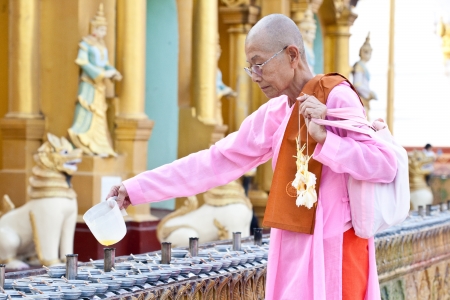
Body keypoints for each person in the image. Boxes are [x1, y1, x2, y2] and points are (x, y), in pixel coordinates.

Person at [107, 14, 396, 299]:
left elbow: (383, 164)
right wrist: (135, 189)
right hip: (291, 246)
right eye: (250, 67)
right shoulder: (276, 113)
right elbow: (214, 162)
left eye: (259, 64)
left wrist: (326, 140)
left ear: (292, 55)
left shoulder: (336, 97)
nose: (255, 76)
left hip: (336, 249)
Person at [68, 4, 122, 157]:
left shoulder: (101, 46)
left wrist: (112, 72)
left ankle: (99, 145)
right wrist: (101, 74)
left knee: (99, 115)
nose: (103, 33)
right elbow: (83, 62)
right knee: (87, 112)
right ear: (94, 29)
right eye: (101, 29)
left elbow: (105, 63)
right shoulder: (86, 44)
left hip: (99, 86)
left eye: (105, 30)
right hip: (89, 84)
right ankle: (82, 138)